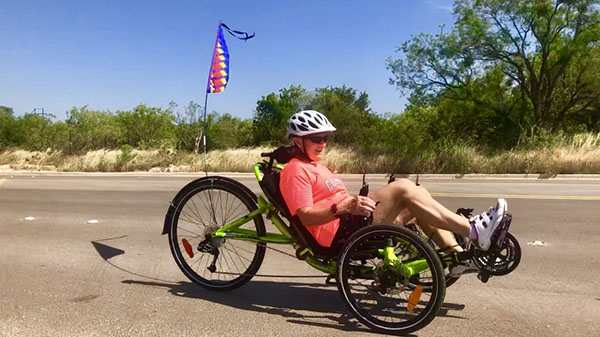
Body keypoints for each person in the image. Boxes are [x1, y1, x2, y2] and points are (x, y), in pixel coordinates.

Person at [279, 110, 506, 273]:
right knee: (403, 188)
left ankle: (457, 255)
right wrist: (344, 206)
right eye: (317, 139)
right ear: (298, 141)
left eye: (326, 138)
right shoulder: (294, 171)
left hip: (352, 220)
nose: (323, 144)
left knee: (418, 197)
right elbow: (306, 215)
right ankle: (473, 230)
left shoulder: (315, 166)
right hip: (340, 232)